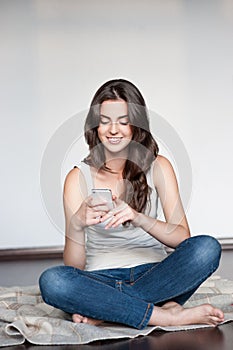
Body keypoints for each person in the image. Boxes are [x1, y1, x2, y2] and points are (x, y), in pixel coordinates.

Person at [39, 78, 224, 330]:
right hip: (100, 279)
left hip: (155, 275)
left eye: (123, 121)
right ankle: (165, 315)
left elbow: (183, 238)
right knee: (53, 281)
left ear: (136, 125)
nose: (113, 129)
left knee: (207, 248)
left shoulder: (159, 166)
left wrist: (139, 217)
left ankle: (108, 309)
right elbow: (73, 268)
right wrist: (76, 225)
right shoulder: (77, 178)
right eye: (105, 121)